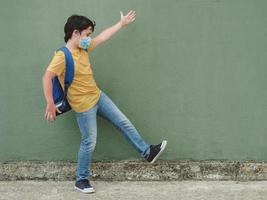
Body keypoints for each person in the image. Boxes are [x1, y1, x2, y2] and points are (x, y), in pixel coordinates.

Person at [42, 10, 167, 194]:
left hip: (98, 96)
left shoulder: (83, 47)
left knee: (123, 122)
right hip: (83, 106)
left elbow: (102, 38)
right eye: (86, 34)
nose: (89, 38)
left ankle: (148, 152)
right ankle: (81, 179)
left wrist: (121, 24)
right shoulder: (62, 56)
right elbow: (47, 77)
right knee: (89, 142)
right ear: (75, 33)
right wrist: (50, 103)